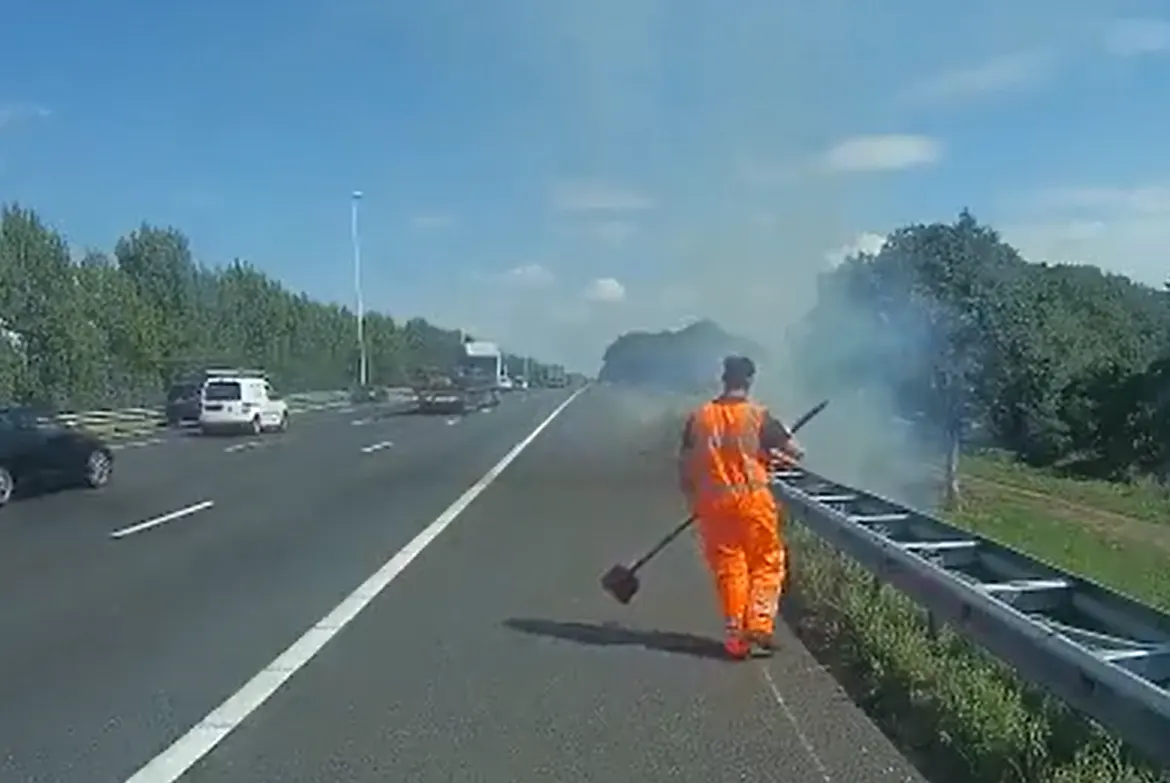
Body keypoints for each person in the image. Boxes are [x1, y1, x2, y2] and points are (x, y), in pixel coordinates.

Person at [678, 355, 804, 660]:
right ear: (749, 380)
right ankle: (758, 626)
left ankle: (736, 640)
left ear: (724, 378)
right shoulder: (758, 416)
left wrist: (694, 500)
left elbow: (685, 466)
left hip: (713, 506)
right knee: (767, 561)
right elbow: (796, 453)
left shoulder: (699, 418)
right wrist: (774, 450)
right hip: (752, 503)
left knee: (729, 569)